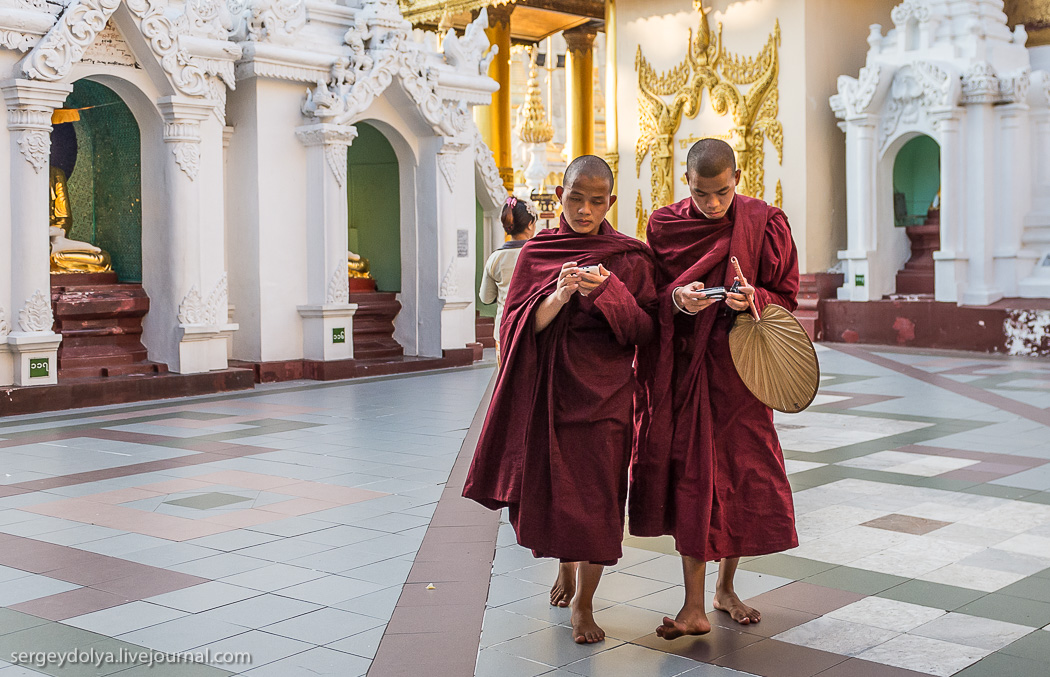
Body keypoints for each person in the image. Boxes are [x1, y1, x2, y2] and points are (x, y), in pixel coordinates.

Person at [463, 156, 657, 644]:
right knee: (562, 498)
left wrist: (610, 292)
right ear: (559, 194)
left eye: (596, 201)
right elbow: (511, 330)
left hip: (607, 398)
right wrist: (558, 295)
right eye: (575, 198)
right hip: (552, 398)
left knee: (599, 503)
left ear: (610, 202)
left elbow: (644, 331)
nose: (585, 210)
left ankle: (584, 604)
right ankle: (565, 570)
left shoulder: (629, 258)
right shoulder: (538, 253)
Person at [630, 138, 799, 639]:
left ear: (738, 179)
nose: (714, 205)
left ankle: (726, 589)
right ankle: (693, 606)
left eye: (722, 193)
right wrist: (678, 300)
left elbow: (786, 297)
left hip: (743, 374)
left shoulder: (765, 222)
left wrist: (753, 298)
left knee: (741, 476)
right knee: (694, 480)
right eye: (703, 194)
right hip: (688, 372)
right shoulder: (665, 224)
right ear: (687, 183)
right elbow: (651, 296)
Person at [479, 196, 538, 362]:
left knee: (506, 381)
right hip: (534, 328)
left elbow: (486, 297)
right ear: (529, 224)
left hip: (504, 330)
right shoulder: (539, 255)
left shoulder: (495, 258)